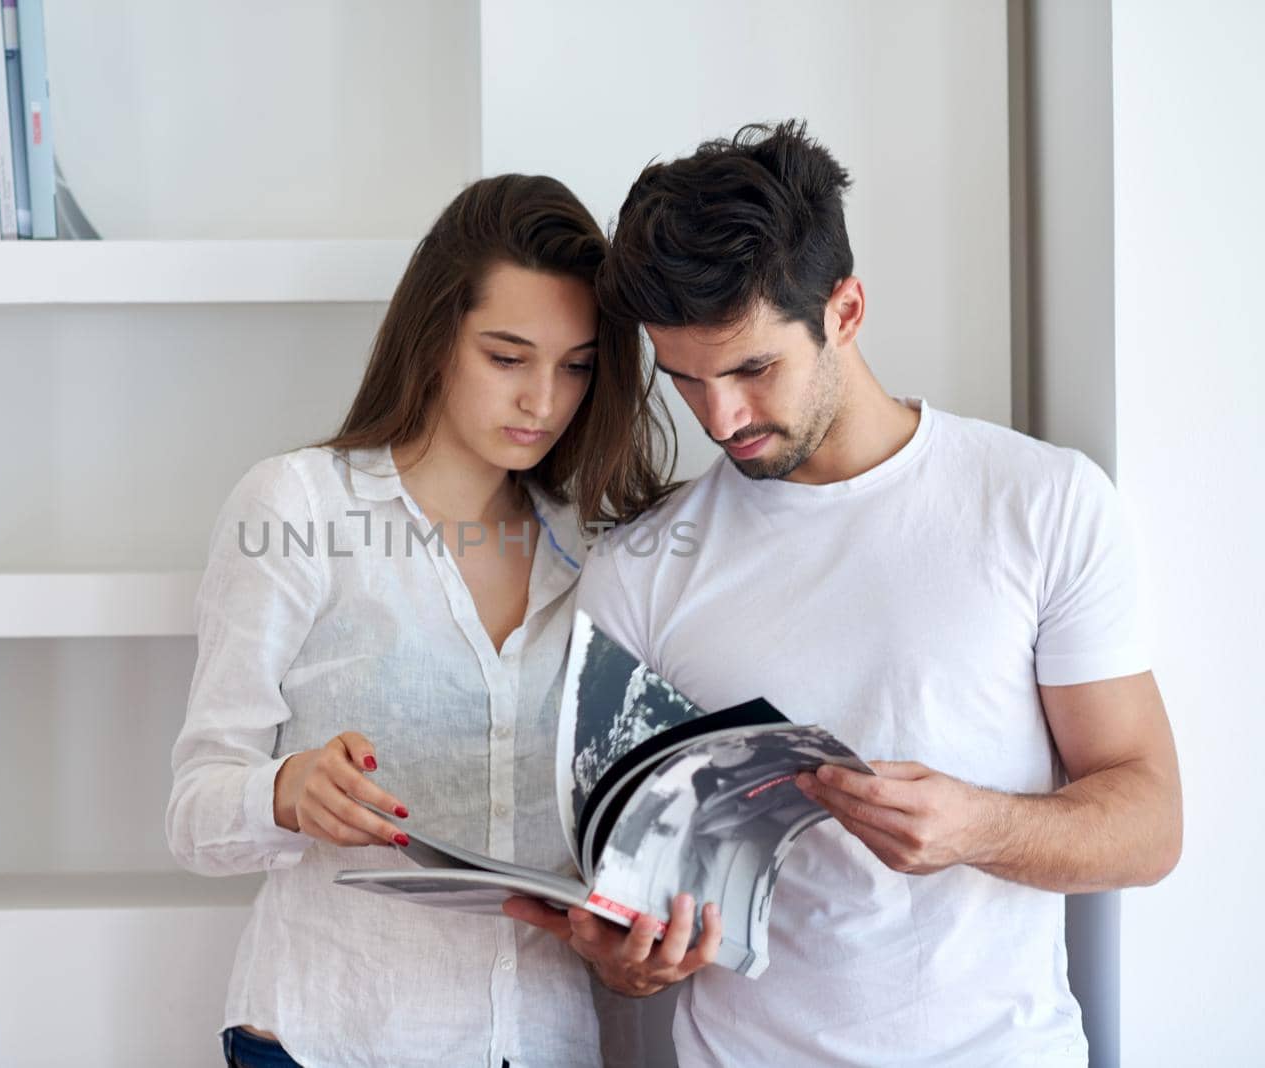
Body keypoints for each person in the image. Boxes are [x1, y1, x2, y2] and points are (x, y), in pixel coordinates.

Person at [504, 121, 1183, 1065]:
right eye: (688, 381)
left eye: (753, 368)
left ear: (846, 309)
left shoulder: (1040, 502)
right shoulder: (642, 570)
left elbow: (1149, 826)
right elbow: (626, 896)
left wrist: (978, 827)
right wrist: (631, 962)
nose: (722, 418)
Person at [165, 174, 676, 1067]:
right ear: (437, 340)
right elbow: (196, 810)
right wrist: (288, 790)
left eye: (576, 366)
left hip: (543, 1038)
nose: (543, 402)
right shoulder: (298, 506)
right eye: (507, 357)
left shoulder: (601, 545)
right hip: (335, 1035)